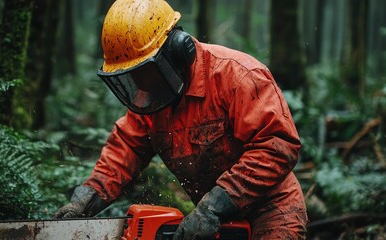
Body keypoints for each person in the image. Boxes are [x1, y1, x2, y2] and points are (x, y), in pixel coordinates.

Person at [54, 0, 308, 239]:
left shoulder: (237, 76)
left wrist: (216, 205)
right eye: (134, 76)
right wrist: (88, 197)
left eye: (145, 72)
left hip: (271, 210)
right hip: (209, 216)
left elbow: (277, 145)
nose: (142, 83)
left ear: (178, 49)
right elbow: (126, 148)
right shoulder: (152, 97)